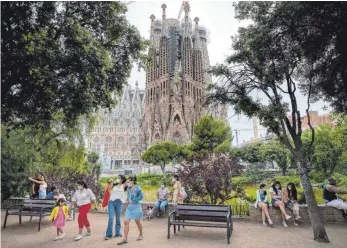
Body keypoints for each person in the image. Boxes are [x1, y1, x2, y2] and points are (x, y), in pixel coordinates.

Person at [117, 176, 143, 245]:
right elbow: (128, 196)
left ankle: (141, 234)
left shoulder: (138, 188)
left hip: (136, 207)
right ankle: (125, 239)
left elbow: (141, 196)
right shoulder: (128, 188)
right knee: (126, 222)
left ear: (132, 181)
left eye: (128, 182)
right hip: (129, 207)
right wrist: (127, 200)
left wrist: (134, 200)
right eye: (127, 182)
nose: (127, 183)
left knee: (137, 222)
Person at [104, 175, 127, 240]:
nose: (117, 179)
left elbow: (127, 181)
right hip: (111, 202)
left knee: (118, 218)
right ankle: (108, 234)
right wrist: (109, 183)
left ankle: (117, 233)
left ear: (122, 179)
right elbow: (106, 189)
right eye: (117, 178)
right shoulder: (114, 185)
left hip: (119, 202)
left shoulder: (123, 186)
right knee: (111, 218)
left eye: (119, 178)